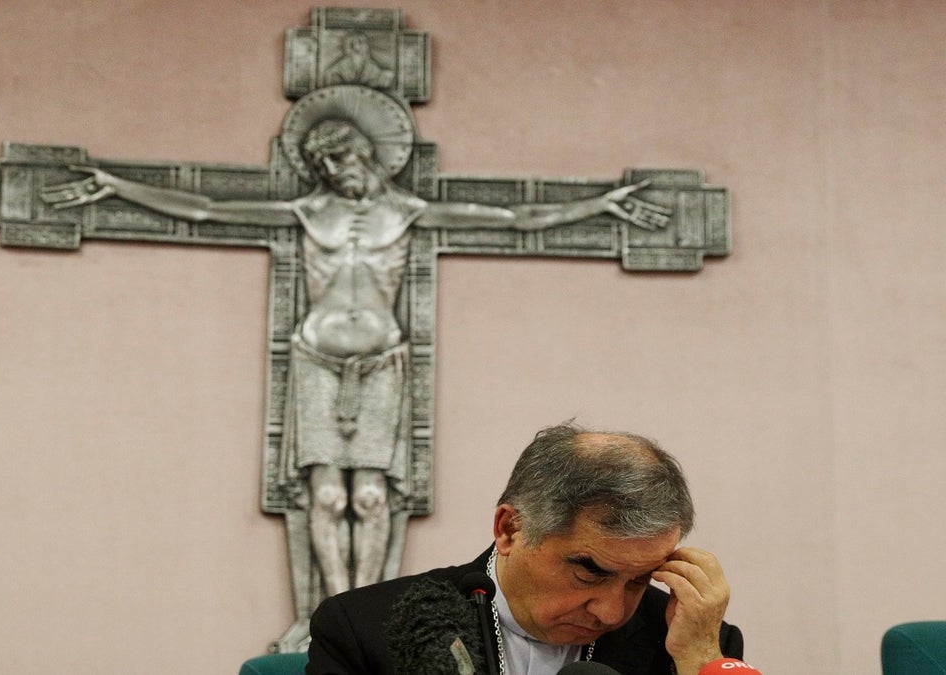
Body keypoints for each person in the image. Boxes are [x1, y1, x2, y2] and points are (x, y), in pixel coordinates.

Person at [40, 123, 654, 609]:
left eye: (342, 160)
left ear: (365, 156)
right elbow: (205, 208)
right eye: (324, 165)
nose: (334, 173)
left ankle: (370, 610)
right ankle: (331, 615)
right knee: (326, 497)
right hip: (317, 361)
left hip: (381, 363)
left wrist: (601, 205)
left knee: (370, 499)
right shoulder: (309, 211)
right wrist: (118, 188)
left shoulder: (407, 211)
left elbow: (515, 219)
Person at [305, 421, 750, 675]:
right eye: (590, 571)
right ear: (510, 529)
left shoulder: (686, 643)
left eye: (637, 580)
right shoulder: (365, 630)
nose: (612, 613)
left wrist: (701, 660)